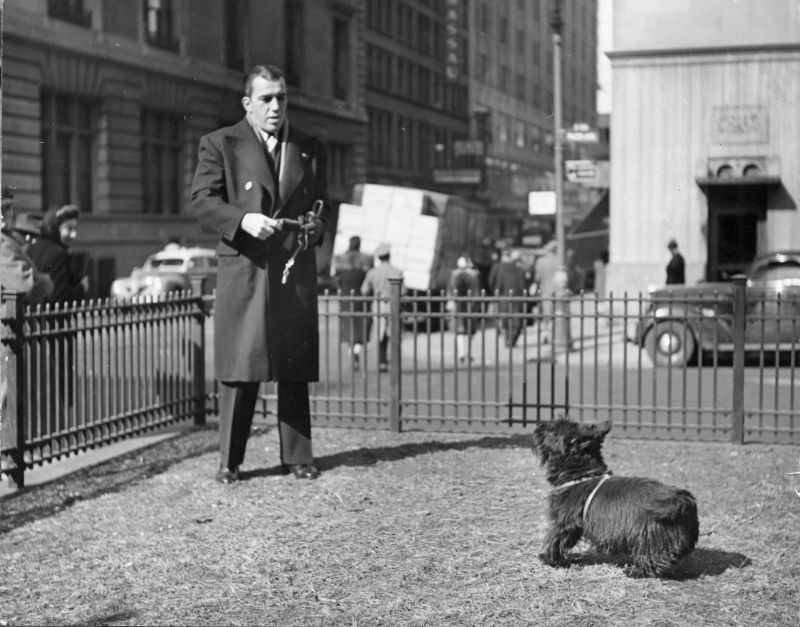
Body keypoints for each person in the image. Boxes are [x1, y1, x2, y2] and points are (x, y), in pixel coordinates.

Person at [191, 64, 329, 483]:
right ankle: (229, 462)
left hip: (290, 270)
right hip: (246, 269)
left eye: (281, 98)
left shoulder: (307, 146)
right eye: (266, 98)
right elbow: (201, 201)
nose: (275, 107)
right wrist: (243, 221)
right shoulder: (220, 144)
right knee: (240, 369)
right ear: (247, 103)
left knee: (293, 365)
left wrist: (314, 229)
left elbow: (321, 207)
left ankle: (298, 458)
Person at [1, 187, 54, 438]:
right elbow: (28, 284)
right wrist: (45, 281)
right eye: (2, 209)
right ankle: (6, 461)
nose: (6, 215)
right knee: (5, 397)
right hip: (5, 330)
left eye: (9, 208)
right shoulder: (3, 245)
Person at [26, 204, 88, 303]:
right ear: (55, 227)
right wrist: (81, 287)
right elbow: (59, 298)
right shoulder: (58, 254)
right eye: (69, 228)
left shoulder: (31, 247)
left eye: (75, 229)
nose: (73, 234)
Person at [330, 235, 373, 371]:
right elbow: (369, 280)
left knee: (348, 326)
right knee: (361, 326)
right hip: (361, 298)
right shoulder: (367, 259)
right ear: (359, 244)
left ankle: (352, 351)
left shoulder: (339, 259)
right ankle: (356, 350)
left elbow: (336, 279)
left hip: (346, 297)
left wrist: (341, 288)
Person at [361, 242, 403, 372]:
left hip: (378, 304)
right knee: (394, 334)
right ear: (389, 256)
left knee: (380, 334)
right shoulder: (397, 271)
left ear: (379, 258)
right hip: (393, 304)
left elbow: (364, 290)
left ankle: (382, 362)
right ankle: (395, 363)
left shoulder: (373, 272)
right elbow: (404, 291)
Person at [489, 248, 527, 348]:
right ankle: (512, 340)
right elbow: (524, 285)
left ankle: (507, 339)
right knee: (517, 321)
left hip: (503, 296)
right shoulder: (519, 269)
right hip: (517, 297)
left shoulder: (499, 267)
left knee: (505, 320)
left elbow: (493, 282)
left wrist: (496, 291)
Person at [447, 255, 482, 363]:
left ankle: (461, 354)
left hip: (458, 306)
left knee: (460, 331)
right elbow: (477, 292)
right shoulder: (474, 275)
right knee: (471, 331)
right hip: (470, 306)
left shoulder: (454, 275)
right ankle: (469, 353)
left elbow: (450, 291)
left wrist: (450, 301)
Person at [533, 240, 560, 344]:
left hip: (545, 290)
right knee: (557, 314)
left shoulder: (540, 261)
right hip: (557, 291)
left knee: (546, 314)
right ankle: (554, 334)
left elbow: (537, 277)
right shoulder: (559, 260)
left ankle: (546, 334)